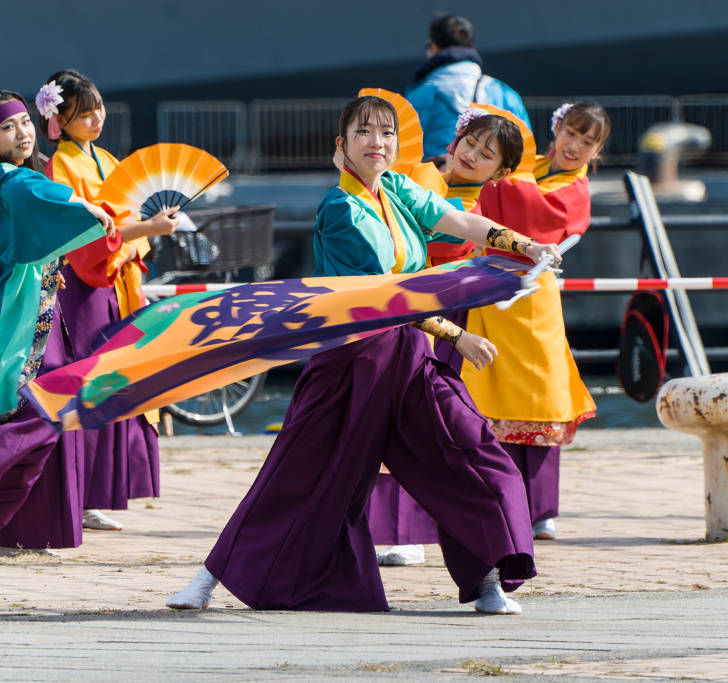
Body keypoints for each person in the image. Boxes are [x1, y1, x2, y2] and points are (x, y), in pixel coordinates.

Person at [167, 94, 560, 615]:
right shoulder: (339, 208)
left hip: (410, 357)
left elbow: (459, 222)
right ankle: (206, 581)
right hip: (352, 362)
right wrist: (454, 335)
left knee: (470, 448)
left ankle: (487, 581)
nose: (378, 143)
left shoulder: (397, 188)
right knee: (296, 476)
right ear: (342, 146)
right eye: (365, 133)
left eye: (387, 134)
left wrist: (526, 246)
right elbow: (381, 296)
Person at [0, 91, 115, 552]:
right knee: (41, 405)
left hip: (8, 314)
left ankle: (17, 530)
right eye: (7, 127)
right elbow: (32, 192)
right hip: (21, 313)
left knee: (23, 414)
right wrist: (83, 205)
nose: (22, 131)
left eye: (24, 121)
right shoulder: (8, 182)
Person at [365, 106, 528, 567]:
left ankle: (410, 532)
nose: (472, 154)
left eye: (486, 153)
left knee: (426, 428)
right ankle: (369, 529)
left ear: (503, 171)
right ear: (454, 140)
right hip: (389, 311)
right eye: (469, 143)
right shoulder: (412, 176)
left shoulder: (472, 210)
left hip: (437, 319)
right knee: (380, 424)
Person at [462, 101, 611, 541]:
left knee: (538, 397)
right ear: (557, 129)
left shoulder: (571, 186)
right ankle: (497, 497)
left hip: (530, 294)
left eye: (588, 142)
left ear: (596, 151)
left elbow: (538, 214)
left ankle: (540, 509)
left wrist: (510, 168)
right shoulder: (535, 166)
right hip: (489, 286)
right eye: (572, 133)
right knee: (488, 388)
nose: (576, 146)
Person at [39, 70, 179, 531]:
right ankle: (80, 493)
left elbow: (121, 231)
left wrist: (140, 235)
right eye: (82, 113)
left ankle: (98, 491)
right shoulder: (60, 167)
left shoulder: (106, 160)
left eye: (97, 107)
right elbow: (86, 239)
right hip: (84, 288)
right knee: (87, 380)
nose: (96, 118)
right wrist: (146, 231)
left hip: (116, 285)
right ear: (58, 120)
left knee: (113, 379)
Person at [406, 13, 528, 163]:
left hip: (432, 183)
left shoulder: (420, 95)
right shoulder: (507, 95)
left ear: (434, 47)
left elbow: (403, 151)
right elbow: (523, 151)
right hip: (491, 184)